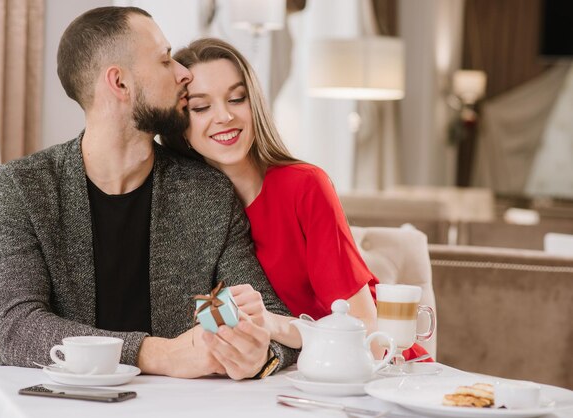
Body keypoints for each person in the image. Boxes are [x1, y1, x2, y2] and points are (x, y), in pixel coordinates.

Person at [0, 7, 296, 381]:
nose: (184, 73)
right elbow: (18, 327)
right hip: (39, 399)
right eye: (166, 60)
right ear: (119, 83)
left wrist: (261, 354)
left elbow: (272, 318)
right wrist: (158, 354)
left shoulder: (208, 191)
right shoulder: (25, 185)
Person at [161, 38, 431, 362]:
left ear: (255, 104)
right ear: (181, 126)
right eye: (201, 107)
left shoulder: (304, 187)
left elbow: (364, 332)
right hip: (284, 378)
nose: (224, 116)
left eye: (236, 99)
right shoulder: (187, 207)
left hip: (377, 367)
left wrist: (272, 324)